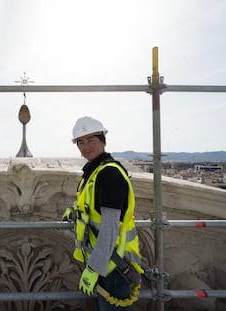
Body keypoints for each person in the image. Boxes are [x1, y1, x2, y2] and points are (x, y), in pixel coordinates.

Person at [62, 116, 143, 311]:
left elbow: (110, 227)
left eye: (91, 140)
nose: (85, 146)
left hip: (113, 267)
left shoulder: (109, 175)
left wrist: (93, 269)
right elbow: (94, 211)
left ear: (103, 141)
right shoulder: (95, 171)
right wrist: (75, 213)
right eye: (80, 142)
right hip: (106, 263)